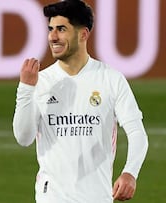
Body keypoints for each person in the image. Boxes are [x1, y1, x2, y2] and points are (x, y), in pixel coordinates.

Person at [12, 0, 148, 202]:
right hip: (51, 197)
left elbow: (137, 133)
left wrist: (130, 173)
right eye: (50, 29)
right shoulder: (41, 82)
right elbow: (24, 138)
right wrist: (25, 89)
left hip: (97, 197)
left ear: (83, 34)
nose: (52, 37)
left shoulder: (110, 79)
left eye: (61, 29)